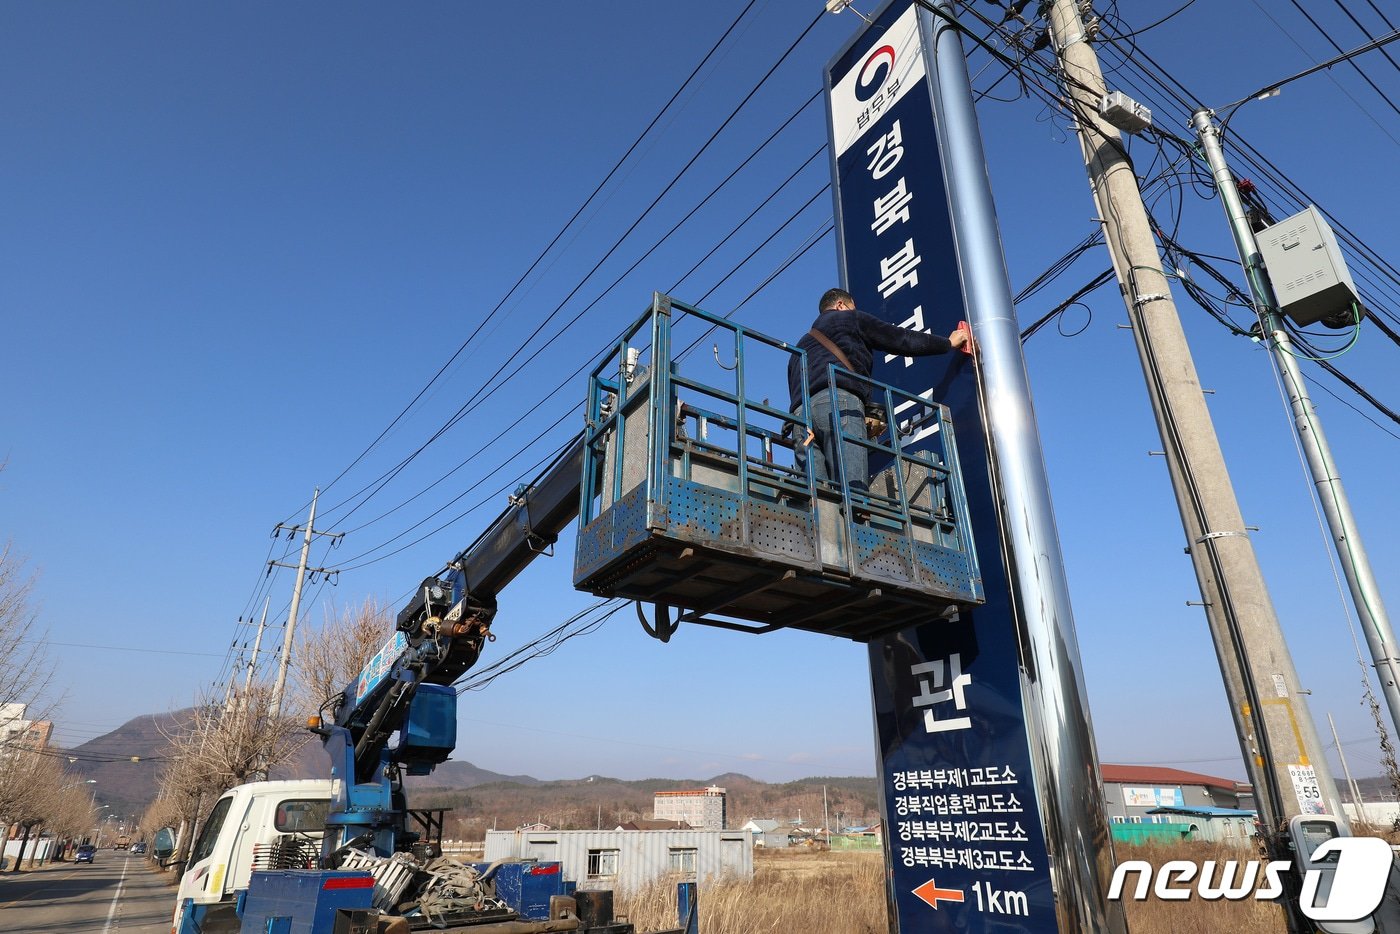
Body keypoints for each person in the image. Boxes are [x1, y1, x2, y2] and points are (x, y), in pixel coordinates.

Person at [787, 287, 968, 493]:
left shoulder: (801, 345)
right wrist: (947, 343)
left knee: (817, 499)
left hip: (800, 420)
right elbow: (901, 339)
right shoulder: (849, 319)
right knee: (853, 493)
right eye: (852, 307)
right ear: (840, 305)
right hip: (839, 404)